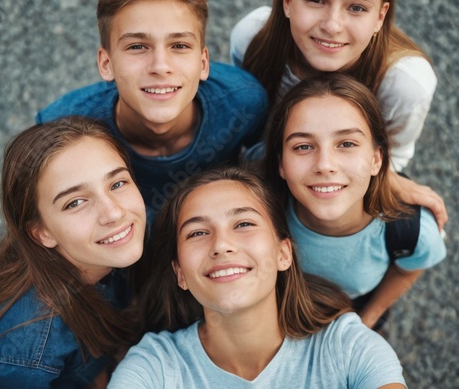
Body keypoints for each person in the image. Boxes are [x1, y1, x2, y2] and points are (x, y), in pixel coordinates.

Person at [108, 166, 407, 388]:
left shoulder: (346, 348)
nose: (222, 245)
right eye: (198, 232)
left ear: (283, 254)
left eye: (244, 224)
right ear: (180, 273)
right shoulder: (154, 367)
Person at [36, 0, 268, 223]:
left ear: (203, 63)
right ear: (106, 64)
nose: (160, 66)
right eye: (137, 46)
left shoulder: (243, 101)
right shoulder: (59, 129)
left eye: (179, 46)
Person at [0, 116, 147, 388]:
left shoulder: (122, 237)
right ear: (41, 232)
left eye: (117, 183)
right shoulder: (24, 346)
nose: (115, 213)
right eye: (75, 202)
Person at [230, 0, 448, 231]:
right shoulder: (253, 36)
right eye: (316, 1)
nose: (332, 26)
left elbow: (396, 151)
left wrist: (389, 177)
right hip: (268, 163)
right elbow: (244, 112)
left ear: (380, 16)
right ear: (287, 3)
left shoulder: (405, 83)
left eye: (356, 7)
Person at [263, 73, 446, 330]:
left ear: (376, 160)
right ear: (281, 163)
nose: (325, 165)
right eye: (303, 146)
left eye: (347, 143)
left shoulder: (413, 230)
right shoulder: (257, 213)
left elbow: (408, 268)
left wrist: (367, 322)